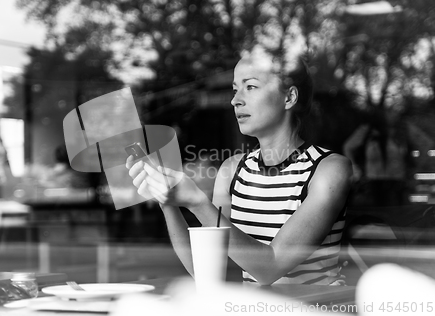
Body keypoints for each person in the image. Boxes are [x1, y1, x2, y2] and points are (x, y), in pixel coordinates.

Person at [126, 46, 352, 285]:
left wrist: (197, 201)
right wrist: (167, 201)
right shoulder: (232, 171)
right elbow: (208, 271)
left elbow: (270, 267)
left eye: (250, 87)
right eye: (235, 90)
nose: (235, 100)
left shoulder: (328, 170)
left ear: (289, 97)